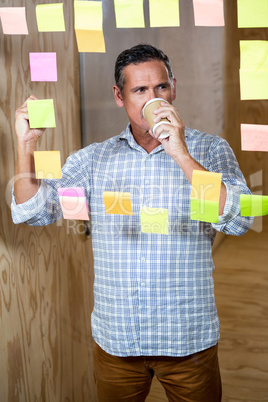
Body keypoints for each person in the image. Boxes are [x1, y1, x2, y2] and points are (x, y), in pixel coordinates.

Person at [12, 44, 252, 402]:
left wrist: (181, 154)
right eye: (140, 90)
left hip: (188, 339)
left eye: (161, 88)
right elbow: (35, 210)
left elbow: (239, 219)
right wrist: (25, 146)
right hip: (117, 341)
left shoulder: (211, 150)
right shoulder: (94, 160)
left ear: (174, 88)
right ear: (119, 97)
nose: (153, 98)